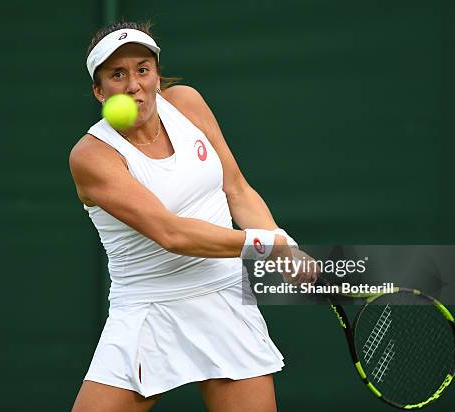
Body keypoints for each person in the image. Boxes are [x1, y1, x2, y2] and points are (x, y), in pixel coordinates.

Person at [69, 21, 317, 412]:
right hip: (147, 310)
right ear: (99, 91)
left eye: (143, 69)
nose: (134, 84)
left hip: (223, 297)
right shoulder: (91, 156)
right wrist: (270, 245)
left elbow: (235, 188)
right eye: (118, 74)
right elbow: (172, 234)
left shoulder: (187, 103)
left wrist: (281, 242)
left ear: (156, 75)